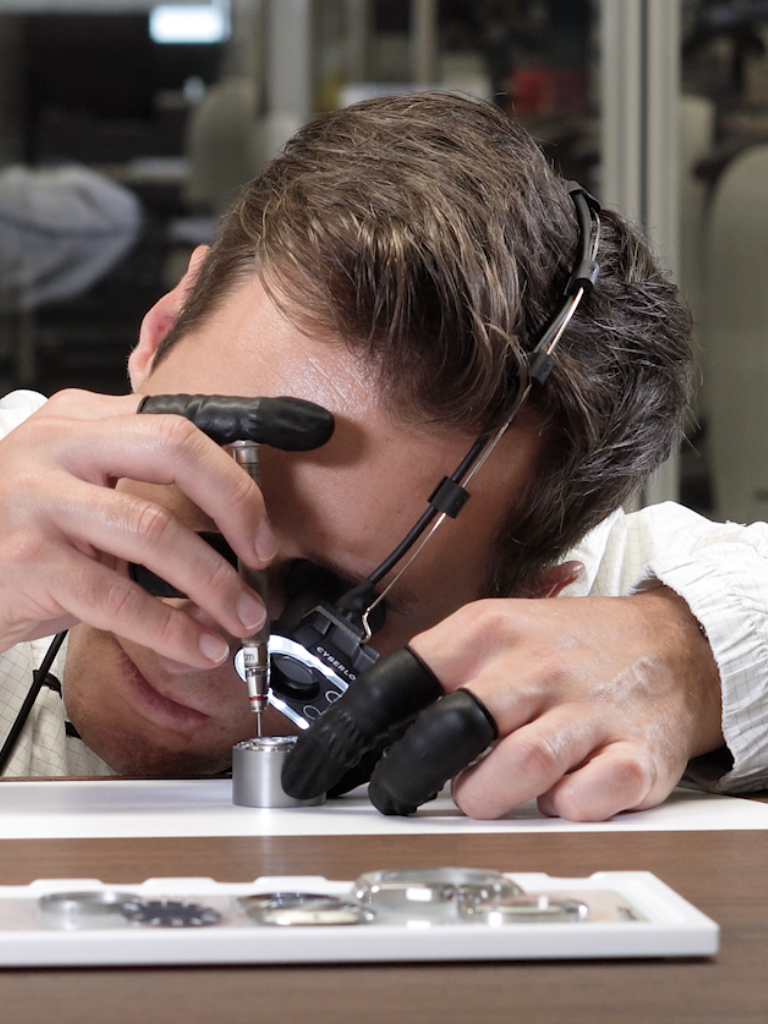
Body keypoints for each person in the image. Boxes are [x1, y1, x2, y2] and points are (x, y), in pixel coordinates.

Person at [0, 91, 766, 821]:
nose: (201, 642)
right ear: (162, 331)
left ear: (534, 599)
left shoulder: (581, 605)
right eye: (194, 502)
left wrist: (682, 658)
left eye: (326, 605)